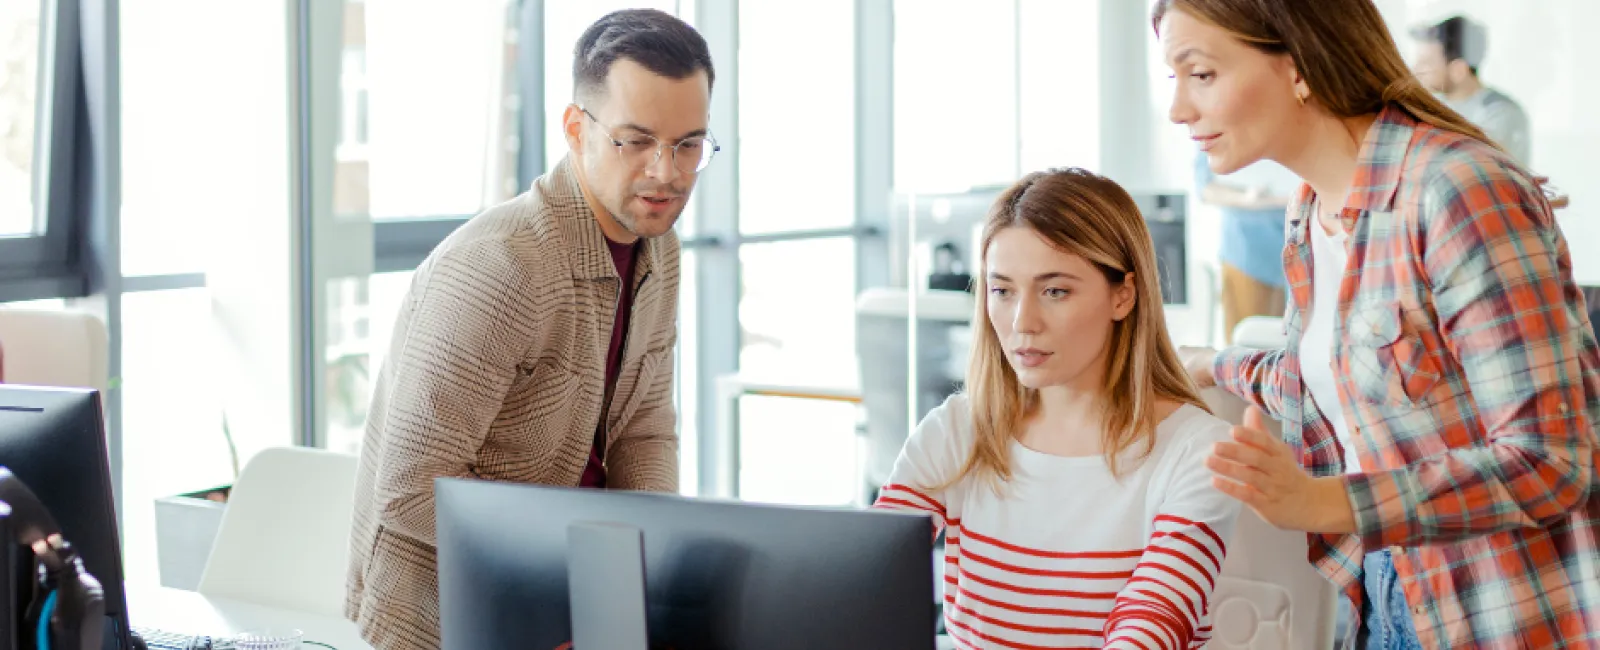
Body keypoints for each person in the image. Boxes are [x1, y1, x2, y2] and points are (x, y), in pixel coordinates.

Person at [1154, 0, 1600, 647]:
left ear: (1298, 62)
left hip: (1501, 612)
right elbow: (1347, 382)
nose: (1179, 110)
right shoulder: (1312, 209)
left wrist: (1323, 503)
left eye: (1200, 74)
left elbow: (1552, 461)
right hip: (1385, 583)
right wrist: (1205, 361)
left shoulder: (1457, 188)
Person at [344, 9, 716, 649]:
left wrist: (644, 581)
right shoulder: (502, 268)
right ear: (577, 129)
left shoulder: (661, 252)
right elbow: (408, 495)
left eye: (688, 144)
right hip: (449, 616)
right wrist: (571, 580)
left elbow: (644, 432)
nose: (667, 172)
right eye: (636, 140)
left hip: (582, 599)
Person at [874, 168, 1242, 650]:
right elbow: (869, 569)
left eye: (1055, 291)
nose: (1023, 322)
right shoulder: (957, 431)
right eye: (1003, 291)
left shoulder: (1196, 450)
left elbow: (1151, 621)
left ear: (1122, 295)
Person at [1193, 150, 1298, 343]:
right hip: (1246, 252)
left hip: (1302, 242)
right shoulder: (1218, 129)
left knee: (1291, 345)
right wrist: (1248, 198)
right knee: (1246, 345)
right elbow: (1206, 187)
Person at [1410, 15, 1531, 166]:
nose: (1415, 69)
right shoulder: (1435, 107)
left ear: (1459, 70)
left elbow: (1471, 168)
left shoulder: (1500, 113)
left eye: (1426, 62)